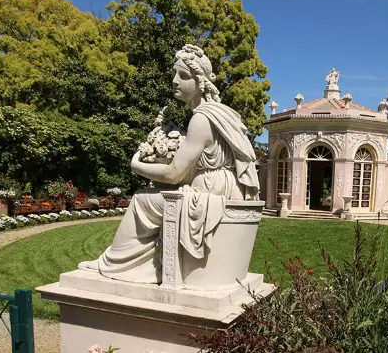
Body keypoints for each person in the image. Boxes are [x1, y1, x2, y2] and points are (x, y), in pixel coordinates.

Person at [78, 44, 259, 283]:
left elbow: (174, 174)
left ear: (200, 82)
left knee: (142, 200)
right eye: (175, 74)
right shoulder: (217, 112)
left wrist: (137, 166)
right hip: (217, 186)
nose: (175, 80)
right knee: (155, 196)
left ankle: (114, 264)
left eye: (183, 75)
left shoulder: (202, 118)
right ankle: (145, 266)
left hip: (210, 192)